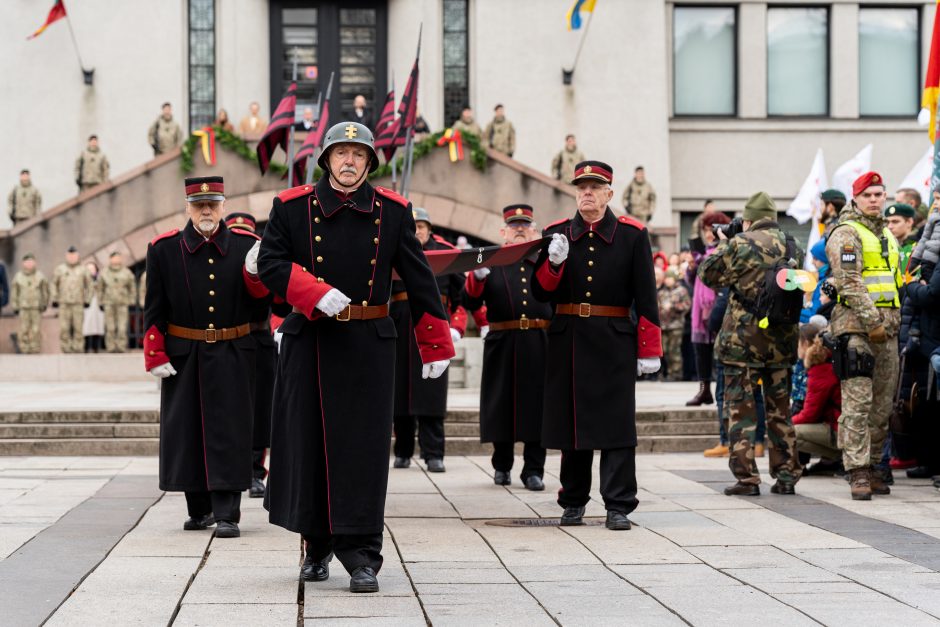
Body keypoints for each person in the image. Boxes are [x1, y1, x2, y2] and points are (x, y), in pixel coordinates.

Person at [257, 121, 454, 593]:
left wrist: (435, 340)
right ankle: (316, 547)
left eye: (358, 155)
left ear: (370, 163)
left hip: (369, 344)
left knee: (363, 452)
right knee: (310, 446)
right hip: (312, 342)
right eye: (341, 153)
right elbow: (270, 263)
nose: (349, 162)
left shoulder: (393, 211)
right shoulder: (291, 207)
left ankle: (363, 555)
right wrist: (311, 291)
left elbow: (418, 276)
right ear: (326, 160)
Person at [532, 160, 662, 530]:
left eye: (595, 186)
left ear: (609, 192)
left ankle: (618, 504)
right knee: (572, 425)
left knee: (617, 425)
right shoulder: (557, 234)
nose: (587, 193)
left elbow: (646, 295)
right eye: (581, 187)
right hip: (569, 338)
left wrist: (650, 347)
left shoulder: (632, 235)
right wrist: (553, 264)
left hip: (613, 338)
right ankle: (572, 501)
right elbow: (541, 292)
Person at [144, 175, 269, 539]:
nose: (206, 211)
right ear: (187, 208)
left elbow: (263, 303)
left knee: (231, 431)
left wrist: (257, 274)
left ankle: (228, 512)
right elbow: (154, 309)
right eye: (199, 205)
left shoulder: (248, 246)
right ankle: (199, 510)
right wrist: (155, 352)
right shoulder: (163, 249)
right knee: (188, 432)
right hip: (185, 354)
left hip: (234, 351)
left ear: (223, 206)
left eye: (212, 204)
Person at [699, 191, 803, 496]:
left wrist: (724, 243)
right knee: (780, 411)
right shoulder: (792, 243)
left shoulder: (739, 243)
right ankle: (786, 477)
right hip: (782, 342)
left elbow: (708, 275)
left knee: (741, 411)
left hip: (742, 343)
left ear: (748, 219)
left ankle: (747, 479)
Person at [824, 171, 901, 500]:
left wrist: (890, 322)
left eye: (879, 194)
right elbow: (849, 282)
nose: (874, 199)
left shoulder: (887, 234)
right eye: (867, 194)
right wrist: (873, 322)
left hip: (889, 329)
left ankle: (872, 466)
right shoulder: (846, 233)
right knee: (858, 403)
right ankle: (856, 470)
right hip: (857, 329)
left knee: (882, 405)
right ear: (855, 198)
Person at [464, 204, 550, 490]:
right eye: (514, 226)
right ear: (503, 232)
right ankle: (502, 466)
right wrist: (476, 279)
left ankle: (534, 470)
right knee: (501, 405)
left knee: (538, 407)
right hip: (503, 342)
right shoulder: (494, 262)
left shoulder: (543, 262)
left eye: (525, 224)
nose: (520, 229)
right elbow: (471, 303)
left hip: (539, 342)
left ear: (534, 230)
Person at [391, 208, 467, 473]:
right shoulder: (394, 250)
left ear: (430, 229)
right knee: (399, 396)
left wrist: (453, 325)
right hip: (400, 327)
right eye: (413, 226)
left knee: (432, 397)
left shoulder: (444, 253)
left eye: (421, 226)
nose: (418, 231)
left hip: (433, 325)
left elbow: (459, 297)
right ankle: (402, 452)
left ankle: (434, 453)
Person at [225, 212, 277, 499]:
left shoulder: (260, 256)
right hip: (228, 340)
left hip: (257, 336)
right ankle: (231, 471)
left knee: (259, 409)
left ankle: (256, 470)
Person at [687, 211, 731, 409]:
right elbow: (693, 282)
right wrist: (690, 268)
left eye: (711, 229)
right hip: (699, 307)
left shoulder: (725, 250)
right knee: (700, 351)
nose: (708, 234)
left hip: (717, 306)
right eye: (705, 229)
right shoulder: (702, 252)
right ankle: (704, 390)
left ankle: (724, 390)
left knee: (721, 350)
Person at [792, 324, 843, 475]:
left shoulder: (819, 370)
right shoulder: (828, 364)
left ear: (805, 344)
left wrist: (785, 423)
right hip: (840, 427)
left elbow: (809, 414)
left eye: (797, 344)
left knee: (788, 432)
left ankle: (795, 468)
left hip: (839, 431)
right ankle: (832, 459)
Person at [52, 246, 92, 353]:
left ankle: (78, 348)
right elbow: (53, 284)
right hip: (64, 303)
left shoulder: (83, 270)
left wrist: (87, 300)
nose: (72, 258)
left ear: (78, 256)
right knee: (64, 328)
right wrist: (54, 298)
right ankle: (65, 348)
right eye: (70, 256)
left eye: (74, 256)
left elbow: (89, 286)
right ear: (66, 256)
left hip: (78, 303)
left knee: (78, 328)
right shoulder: (60, 269)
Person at [98, 252, 136, 352]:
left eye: (117, 258)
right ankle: (110, 347)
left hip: (122, 303)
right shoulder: (104, 272)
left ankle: (121, 346)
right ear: (110, 259)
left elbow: (132, 287)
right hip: (108, 303)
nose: (115, 260)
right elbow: (100, 288)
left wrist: (131, 300)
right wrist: (100, 301)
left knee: (122, 327)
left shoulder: (126, 272)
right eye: (113, 258)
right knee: (110, 327)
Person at [657, 268, 691, 380]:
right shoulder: (661, 292)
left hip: (676, 325)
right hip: (663, 325)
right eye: (666, 278)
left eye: (670, 278)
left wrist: (673, 306)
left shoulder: (682, 291)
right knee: (664, 351)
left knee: (674, 351)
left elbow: (687, 305)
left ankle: (676, 374)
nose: (667, 280)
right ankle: (667, 372)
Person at [11, 254, 49, 353]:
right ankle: (24, 349)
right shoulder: (18, 276)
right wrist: (15, 306)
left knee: (36, 329)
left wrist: (44, 304)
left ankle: (35, 349)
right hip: (23, 307)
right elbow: (15, 292)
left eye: (31, 261)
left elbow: (45, 291)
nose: (29, 264)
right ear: (23, 263)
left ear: (35, 263)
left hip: (36, 307)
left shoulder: (40, 276)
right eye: (27, 262)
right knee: (24, 329)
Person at [884, 202, 917, 274]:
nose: (890, 226)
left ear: (909, 222)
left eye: (895, 222)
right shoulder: (886, 246)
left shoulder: (918, 247)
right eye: (887, 222)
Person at [83, 261, 105, 353]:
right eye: (88, 269)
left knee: (97, 325)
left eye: (92, 269)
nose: (91, 271)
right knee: (86, 325)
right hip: (86, 304)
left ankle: (96, 347)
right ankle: (86, 347)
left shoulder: (100, 279)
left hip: (97, 304)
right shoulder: (83, 280)